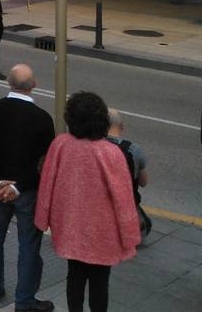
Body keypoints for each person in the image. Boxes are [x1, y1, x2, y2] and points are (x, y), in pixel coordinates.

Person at [36, 91, 140, 312]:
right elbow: (124, 198)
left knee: (74, 276)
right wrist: (129, 235)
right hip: (103, 231)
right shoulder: (111, 153)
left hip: (70, 226)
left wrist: (42, 219)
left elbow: (47, 184)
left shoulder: (61, 144)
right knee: (100, 282)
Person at [0, 64, 57, 310]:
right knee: (29, 245)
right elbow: (44, 163)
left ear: (8, 82)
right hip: (28, 192)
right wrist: (18, 187)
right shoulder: (42, 119)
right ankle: (25, 299)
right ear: (34, 86)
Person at [106, 109, 152, 243]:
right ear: (122, 127)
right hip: (125, 206)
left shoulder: (94, 146)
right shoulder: (133, 149)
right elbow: (144, 182)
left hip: (98, 207)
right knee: (147, 225)